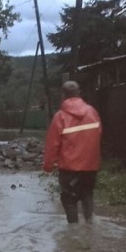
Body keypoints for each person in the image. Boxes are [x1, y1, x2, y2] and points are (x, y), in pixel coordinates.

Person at [43, 80, 102, 224]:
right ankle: (89, 225)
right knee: (87, 194)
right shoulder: (92, 112)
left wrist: (48, 165)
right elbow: (98, 136)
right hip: (90, 166)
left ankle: (73, 233)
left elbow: (52, 144)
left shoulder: (60, 117)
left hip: (69, 168)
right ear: (79, 93)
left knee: (69, 200)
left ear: (63, 95)